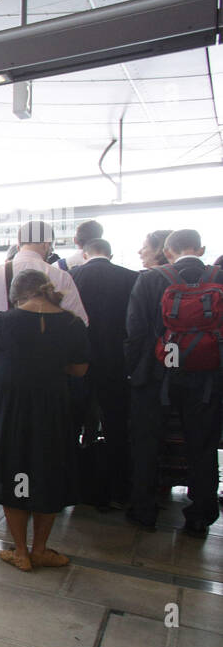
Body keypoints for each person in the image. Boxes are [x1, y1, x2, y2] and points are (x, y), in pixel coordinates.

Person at [0, 270, 90, 570]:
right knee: (48, 469)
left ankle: (21, 552)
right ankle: (40, 549)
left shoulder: (4, 320)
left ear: (17, 293)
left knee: (13, 467)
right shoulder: (72, 322)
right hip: (53, 406)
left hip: (10, 406)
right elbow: (80, 369)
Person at [125, 229, 222, 536]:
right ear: (202, 248)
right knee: (203, 444)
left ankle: (144, 510)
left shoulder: (151, 279)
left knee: (147, 442)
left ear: (167, 252)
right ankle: (200, 515)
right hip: (208, 374)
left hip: (158, 373)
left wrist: (133, 371)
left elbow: (135, 331)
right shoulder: (218, 278)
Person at [68, 237, 138, 506]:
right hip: (116, 363)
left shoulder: (71, 276)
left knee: (72, 423)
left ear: (84, 254)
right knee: (116, 426)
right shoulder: (131, 277)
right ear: (110, 254)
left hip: (78, 362)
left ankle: (71, 484)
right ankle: (118, 487)